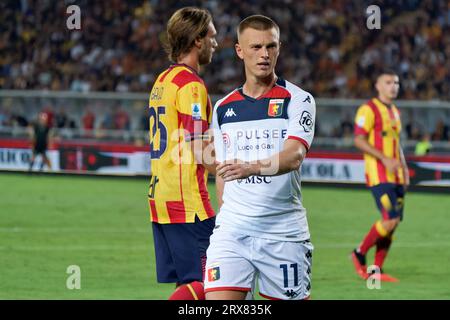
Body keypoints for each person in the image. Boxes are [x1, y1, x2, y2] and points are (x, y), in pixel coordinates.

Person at [204, 15, 316, 300]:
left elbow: (294, 156)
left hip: (283, 233)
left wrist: (250, 168)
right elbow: (223, 171)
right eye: (255, 47)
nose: (264, 54)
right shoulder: (223, 108)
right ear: (240, 51)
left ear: (279, 48)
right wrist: (224, 217)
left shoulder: (299, 99)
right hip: (232, 232)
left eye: (271, 46)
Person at [147, 7, 218, 300]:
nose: (216, 42)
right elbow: (198, 148)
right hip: (187, 202)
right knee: (213, 281)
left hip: (160, 198)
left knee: (187, 285)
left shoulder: (162, 81)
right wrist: (241, 171)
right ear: (198, 40)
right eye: (212, 36)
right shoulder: (191, 86)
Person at [352, 70, 409, 282]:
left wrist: (404, 168)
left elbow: (397, 143)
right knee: (390, 219)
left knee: (394, 222)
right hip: (379, 175)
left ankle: (376, 270)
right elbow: (358, 140)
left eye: (396, 82)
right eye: (388, 82)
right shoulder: (368, 109)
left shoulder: (395, 111)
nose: (393, 86)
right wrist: (384, 159)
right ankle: (359, 254)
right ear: (378, 85)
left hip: (397, 175)